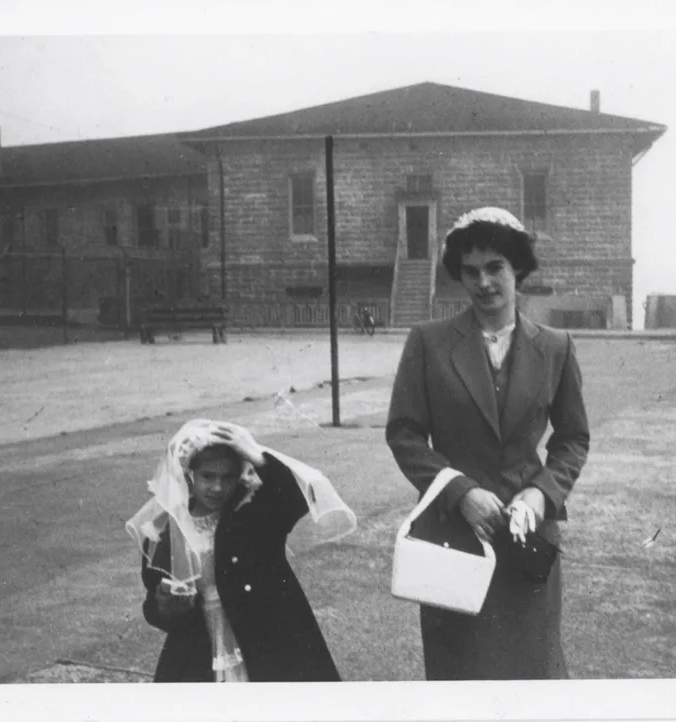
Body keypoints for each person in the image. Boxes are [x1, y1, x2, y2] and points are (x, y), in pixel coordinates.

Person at [386, 207, 590, 680]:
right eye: (470, 271)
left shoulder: (556, 346)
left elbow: (573, 437)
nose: (483, 282)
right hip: (452, 534)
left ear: (517, 267)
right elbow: (404, 433)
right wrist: (460, 492)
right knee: (460, 671)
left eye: (495, 267)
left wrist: (539, 495)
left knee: (530, 668)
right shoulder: (428, 342)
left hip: (526, 534)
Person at [125, 419, 356, 682]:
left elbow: (299, 496)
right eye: (207, 476)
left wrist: (256, 455)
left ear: (240, 475)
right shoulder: (165, 528)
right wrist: (167, 606)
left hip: (266, 639)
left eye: (228, 478)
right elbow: (154, 605)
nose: (217, 487)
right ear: (190, 474)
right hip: (198, 650)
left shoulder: (252, 512)